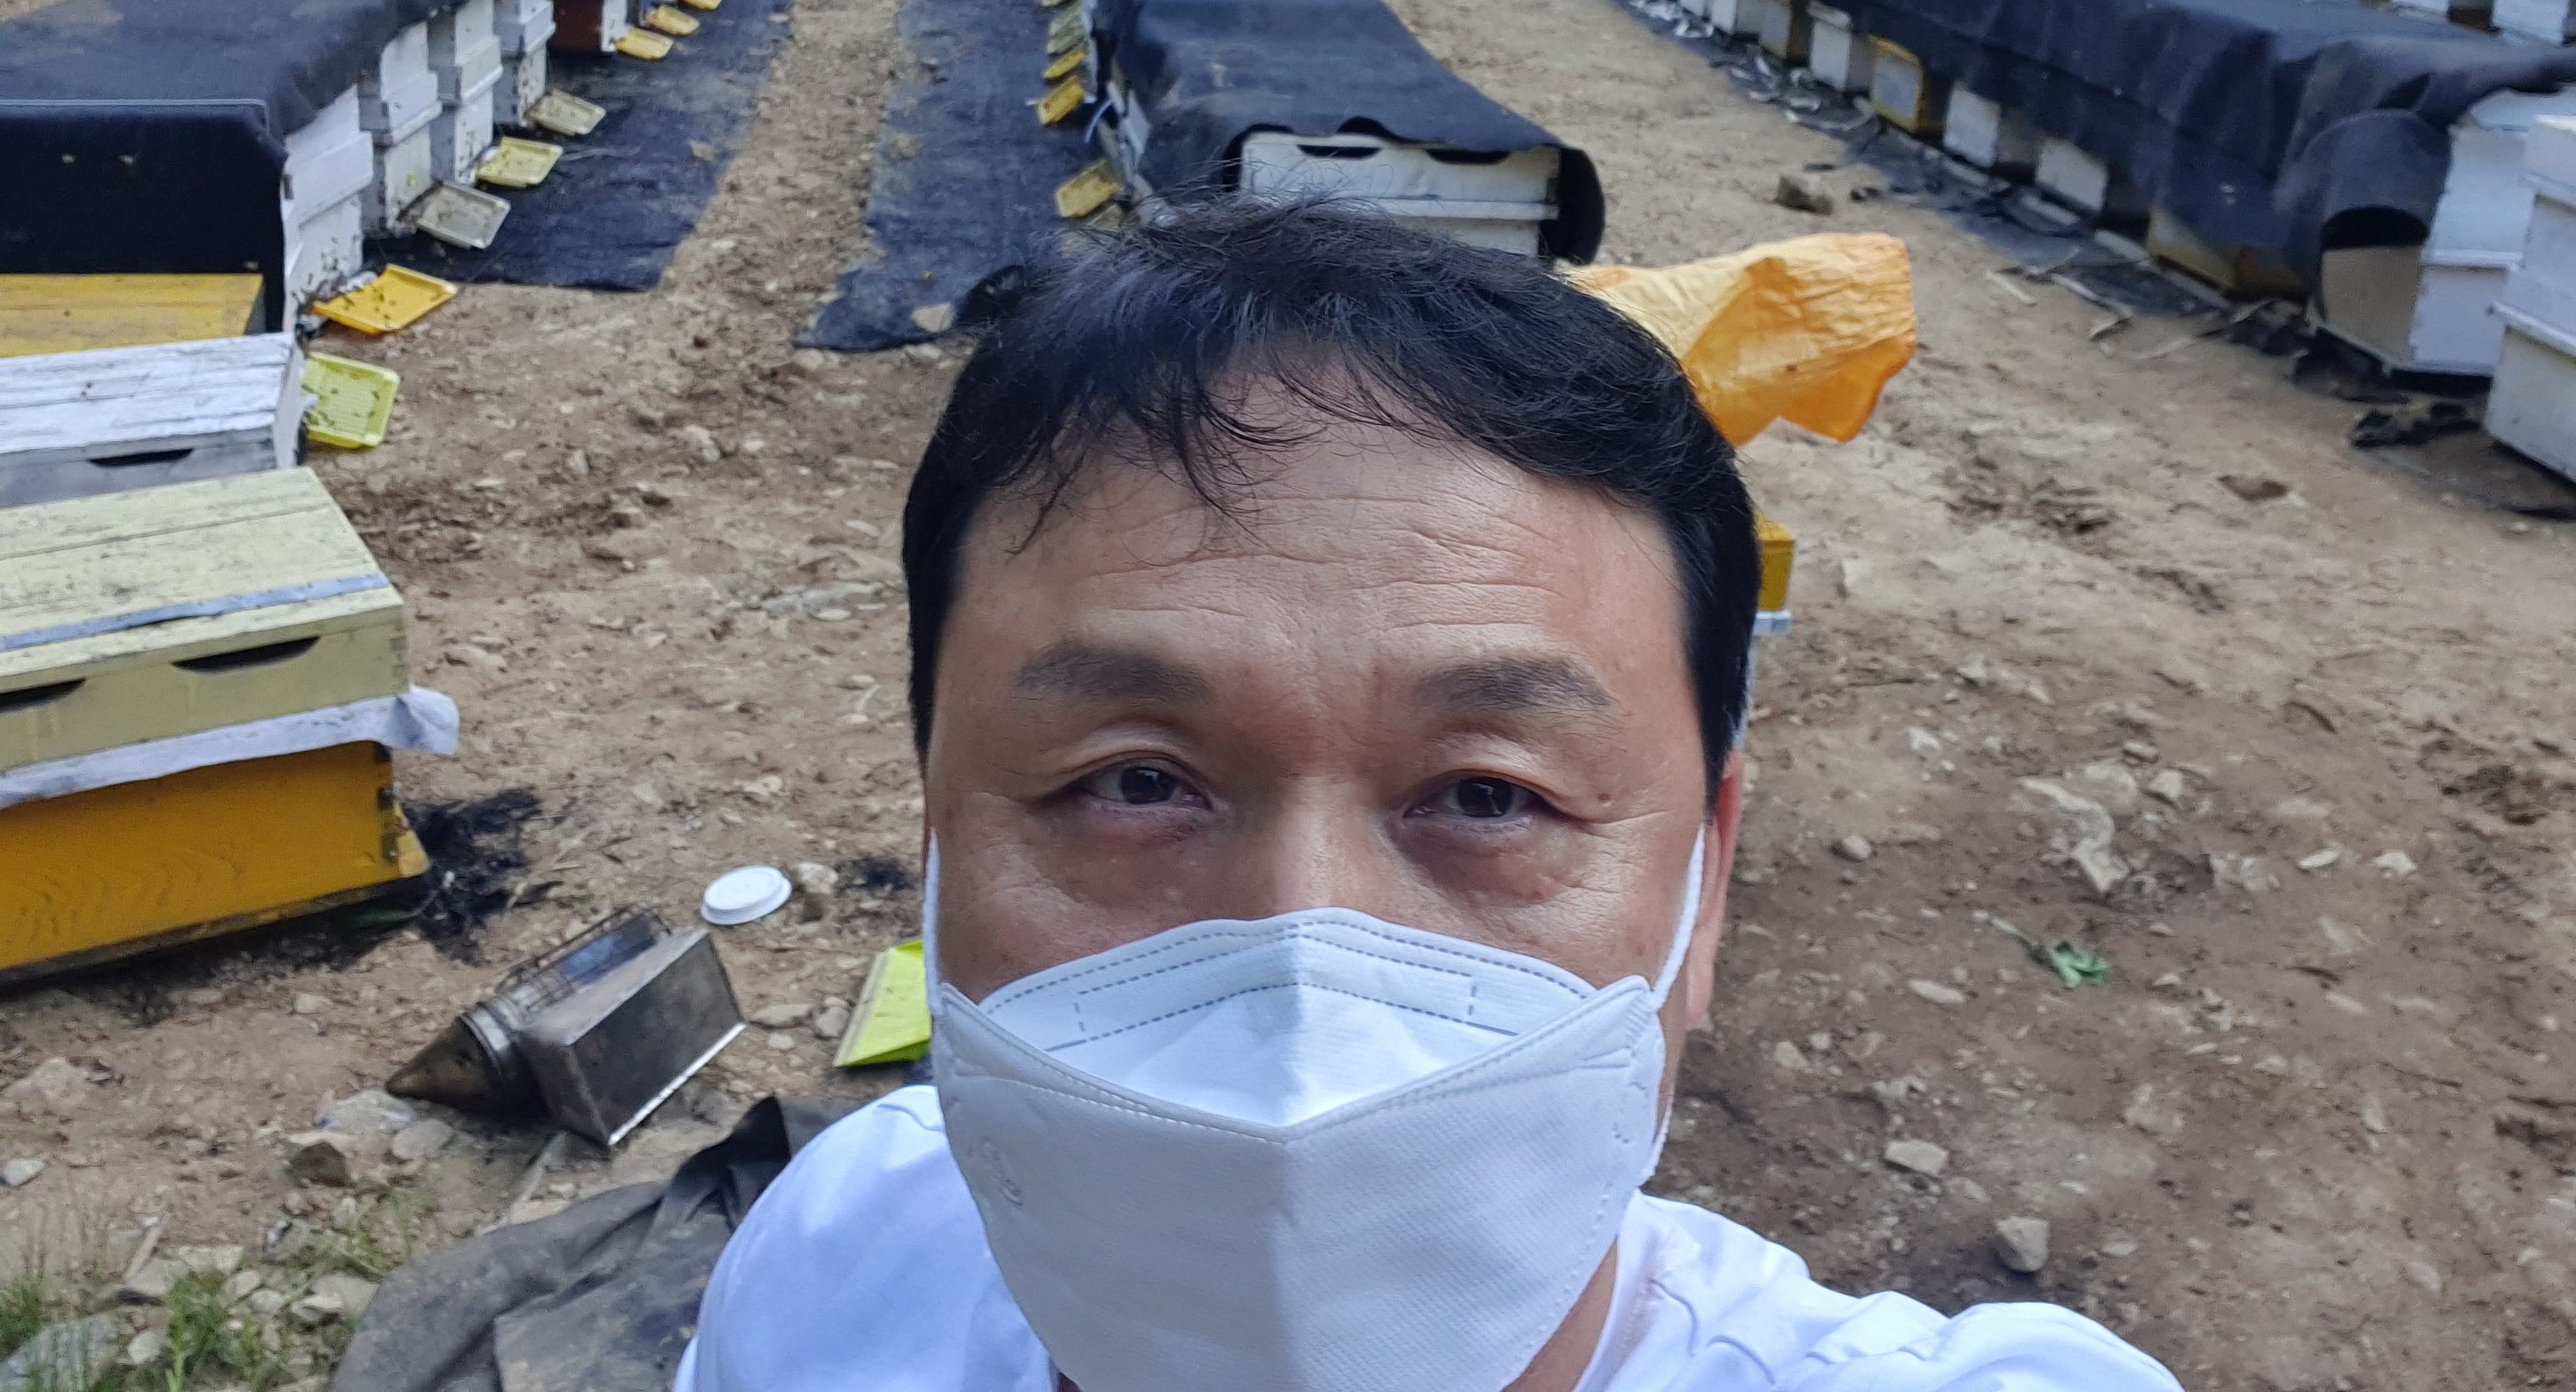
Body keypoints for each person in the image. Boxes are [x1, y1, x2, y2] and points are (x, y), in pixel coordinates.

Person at [675, 202, 2179, 1392]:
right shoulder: (835, 1267)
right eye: (1136, 783)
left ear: (1704, 885)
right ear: (937, 838)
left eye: (1487, 797)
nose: (1300, 974)